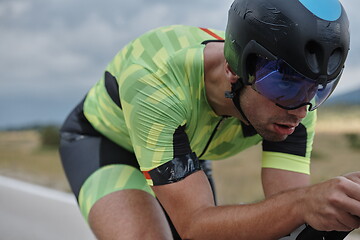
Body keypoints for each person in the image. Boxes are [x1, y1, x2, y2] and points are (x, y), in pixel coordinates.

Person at [59, 0, 360, 239]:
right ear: (234, 69)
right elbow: (195, 225)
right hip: (108, 143)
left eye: (319, 89)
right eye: (285, 85)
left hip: (186, 146)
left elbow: (287, 214)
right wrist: (303, 203)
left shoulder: (299, 103)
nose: (300, 110)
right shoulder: (158, 83)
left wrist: (340, 205)